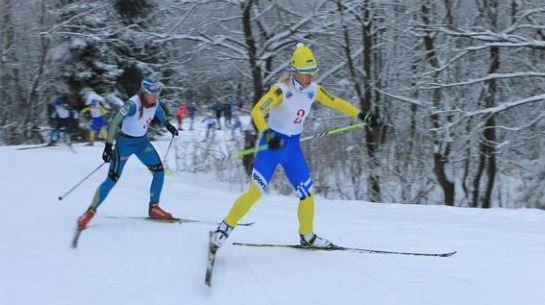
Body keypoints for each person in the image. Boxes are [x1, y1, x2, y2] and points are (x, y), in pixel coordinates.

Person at [210, 43, 381, 250]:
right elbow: (256, 111)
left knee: (307, 193)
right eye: (306, 73)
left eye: (313, 73)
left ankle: (306, 235)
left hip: (292, 149)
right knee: (255, 192)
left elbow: (336, 102)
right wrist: (267, 133)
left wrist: (361, 114)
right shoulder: (281, 91)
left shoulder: (314, 90)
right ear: (294, 71)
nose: (310, 78)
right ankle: (223, 229)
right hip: (272, 147)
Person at [76, 77, 180, 229]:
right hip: (125, 144)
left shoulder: (155, 101)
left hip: (142, 143)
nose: (155, 96)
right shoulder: (132, 104)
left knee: (159, 172)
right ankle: (89, 213)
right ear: (144, 92)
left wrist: (167, 125)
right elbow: (114, 122)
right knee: (112, 179)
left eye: (157, 93)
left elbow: (159, 111)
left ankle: (154, 208)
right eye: (152, 93)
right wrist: (108, 146)